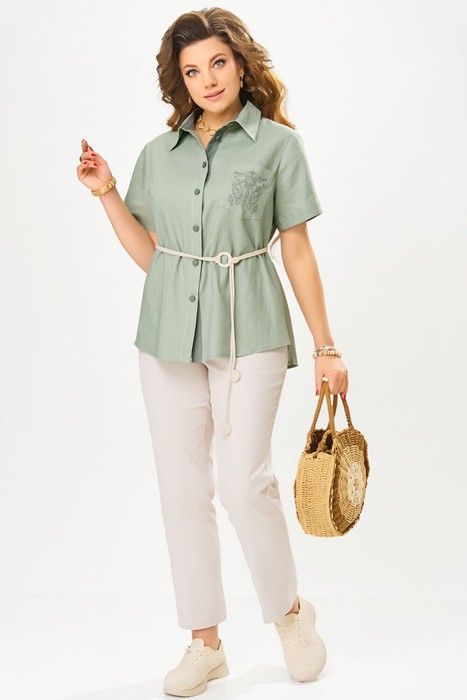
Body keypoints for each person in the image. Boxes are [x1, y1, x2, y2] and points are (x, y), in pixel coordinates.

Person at [77, 7, 348, 696]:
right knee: (181, 490)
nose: (208, 79)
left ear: (240, 63)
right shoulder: (157, 155)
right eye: (192, 70)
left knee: (242, 483)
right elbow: (155, 257)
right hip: (167, 334)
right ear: (181, 81)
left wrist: (326, 346)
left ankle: (290, 615)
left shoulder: (278, 145)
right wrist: (107, 193)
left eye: (218, 63)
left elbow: (296, 248)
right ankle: (205, 643)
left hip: (250, 326)